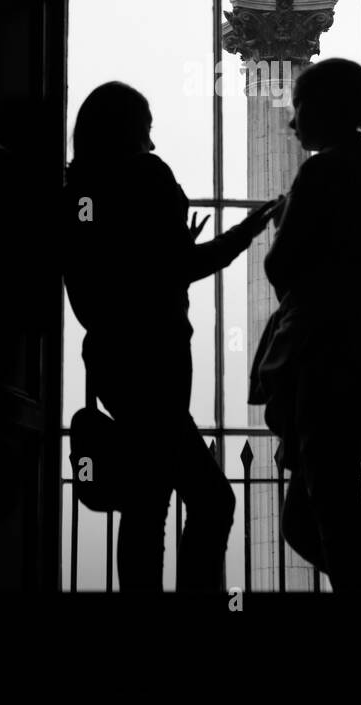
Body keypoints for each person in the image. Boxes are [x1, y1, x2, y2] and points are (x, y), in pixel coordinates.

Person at [63, 81, 280, 593]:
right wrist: (247, 230)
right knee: (207, 501)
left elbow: (120, 274)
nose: (154, 142)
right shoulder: (146, 174)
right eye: (147, 128)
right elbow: (180, 267)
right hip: (156, 360)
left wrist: (171, 255)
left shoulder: (81, 191)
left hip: (113, 361)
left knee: (148, 500)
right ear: (132, 129)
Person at [249, 58, 361, 593]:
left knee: (332, 521)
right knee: (315, 519)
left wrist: (285, 221)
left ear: (325, 110)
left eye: (298, 108)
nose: (292, 124)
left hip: (325, 359)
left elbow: (281, 267)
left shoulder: (321, 174)